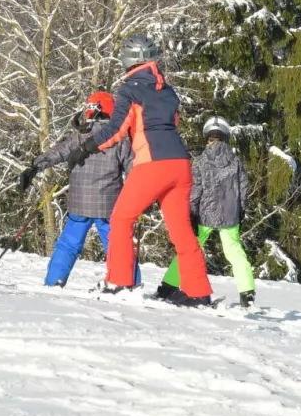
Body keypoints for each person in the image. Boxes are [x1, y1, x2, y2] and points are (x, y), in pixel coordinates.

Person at [74, 35, 213, 306]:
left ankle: (119, 282)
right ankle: (198, 291)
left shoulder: (130, 90)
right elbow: (171, 123)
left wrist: (85, 148)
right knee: (182, 230)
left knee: (121, 219)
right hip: (181, 165)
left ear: (128, 60)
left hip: (152, 164)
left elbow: (116, 129)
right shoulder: (168, 92)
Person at [19, 91, 132, 287]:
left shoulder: (79, 136)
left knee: (68, 245)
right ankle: (127, 283)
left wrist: (35, 167)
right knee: (118, 247)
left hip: (79, 203)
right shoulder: (119, 138)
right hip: (108, 206)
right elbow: (134, 167)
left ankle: (53, 281)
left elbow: (57, 153)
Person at [160, 116, 256, 307]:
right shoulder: (235, 161)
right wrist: (241, 211)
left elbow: (195, 191)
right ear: (225, 137)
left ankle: (168, 285)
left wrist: (192, 213)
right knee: (235, 251)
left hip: (205, 214)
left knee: (189, 249)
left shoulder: (201, 161)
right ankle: (247, 292)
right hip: (230, 215)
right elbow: (243, 189)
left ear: (207, 137)